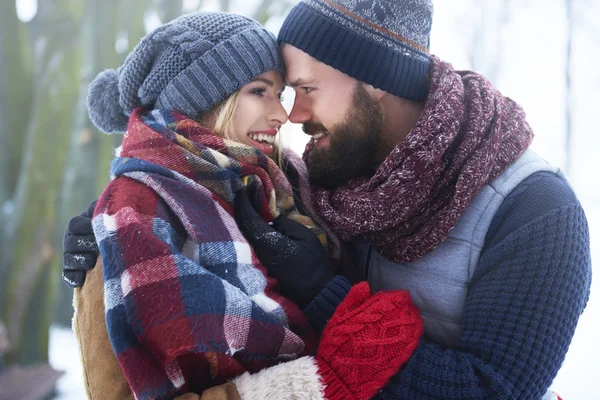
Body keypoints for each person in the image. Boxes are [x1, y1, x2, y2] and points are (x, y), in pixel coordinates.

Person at [65, 1, 592, 399]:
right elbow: (211, 186)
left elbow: (491, 390)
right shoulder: (323, 177)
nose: (292, 116)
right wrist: (120, 218)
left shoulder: (536, 212)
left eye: (305, 88)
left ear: (376, 78)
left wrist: (324, 292)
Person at [62, 10, 422, 400]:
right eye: (258, 91)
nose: (282, 115)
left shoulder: (285, 184)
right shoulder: (134, 210)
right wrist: (317, 383)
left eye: (279, 93)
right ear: (202, 98)